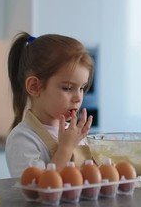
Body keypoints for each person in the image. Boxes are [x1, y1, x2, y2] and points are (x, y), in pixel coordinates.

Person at [5, 32, 94, 177]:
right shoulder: (22, 139)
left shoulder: (73, 134)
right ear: (34, 86)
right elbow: (38, 189)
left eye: (82, 88)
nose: (78, 97)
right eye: (67, 88)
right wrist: (65, 148)